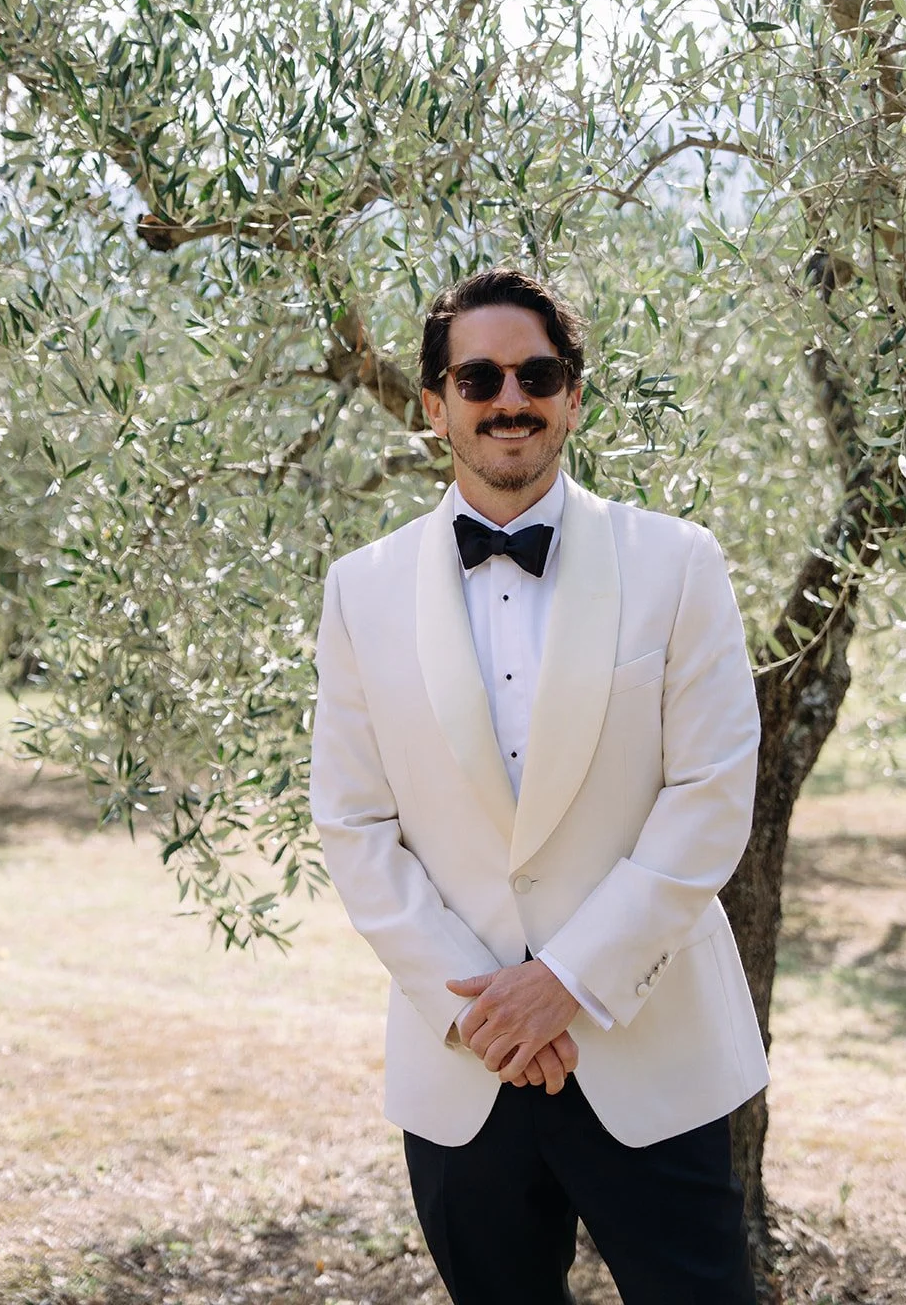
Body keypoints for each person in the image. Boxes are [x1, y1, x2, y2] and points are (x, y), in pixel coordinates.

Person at [310, 267, 769, 1305]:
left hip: (648, 1044)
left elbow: (708, 793)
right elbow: (351, 819)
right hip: (462, 1060)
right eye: (477, 377)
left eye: (536, 373)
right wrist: (478, 1006)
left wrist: (568, 977)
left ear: (571, 394)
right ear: (434, 403)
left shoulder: (678, 563)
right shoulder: (360, 589)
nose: (506, 399)